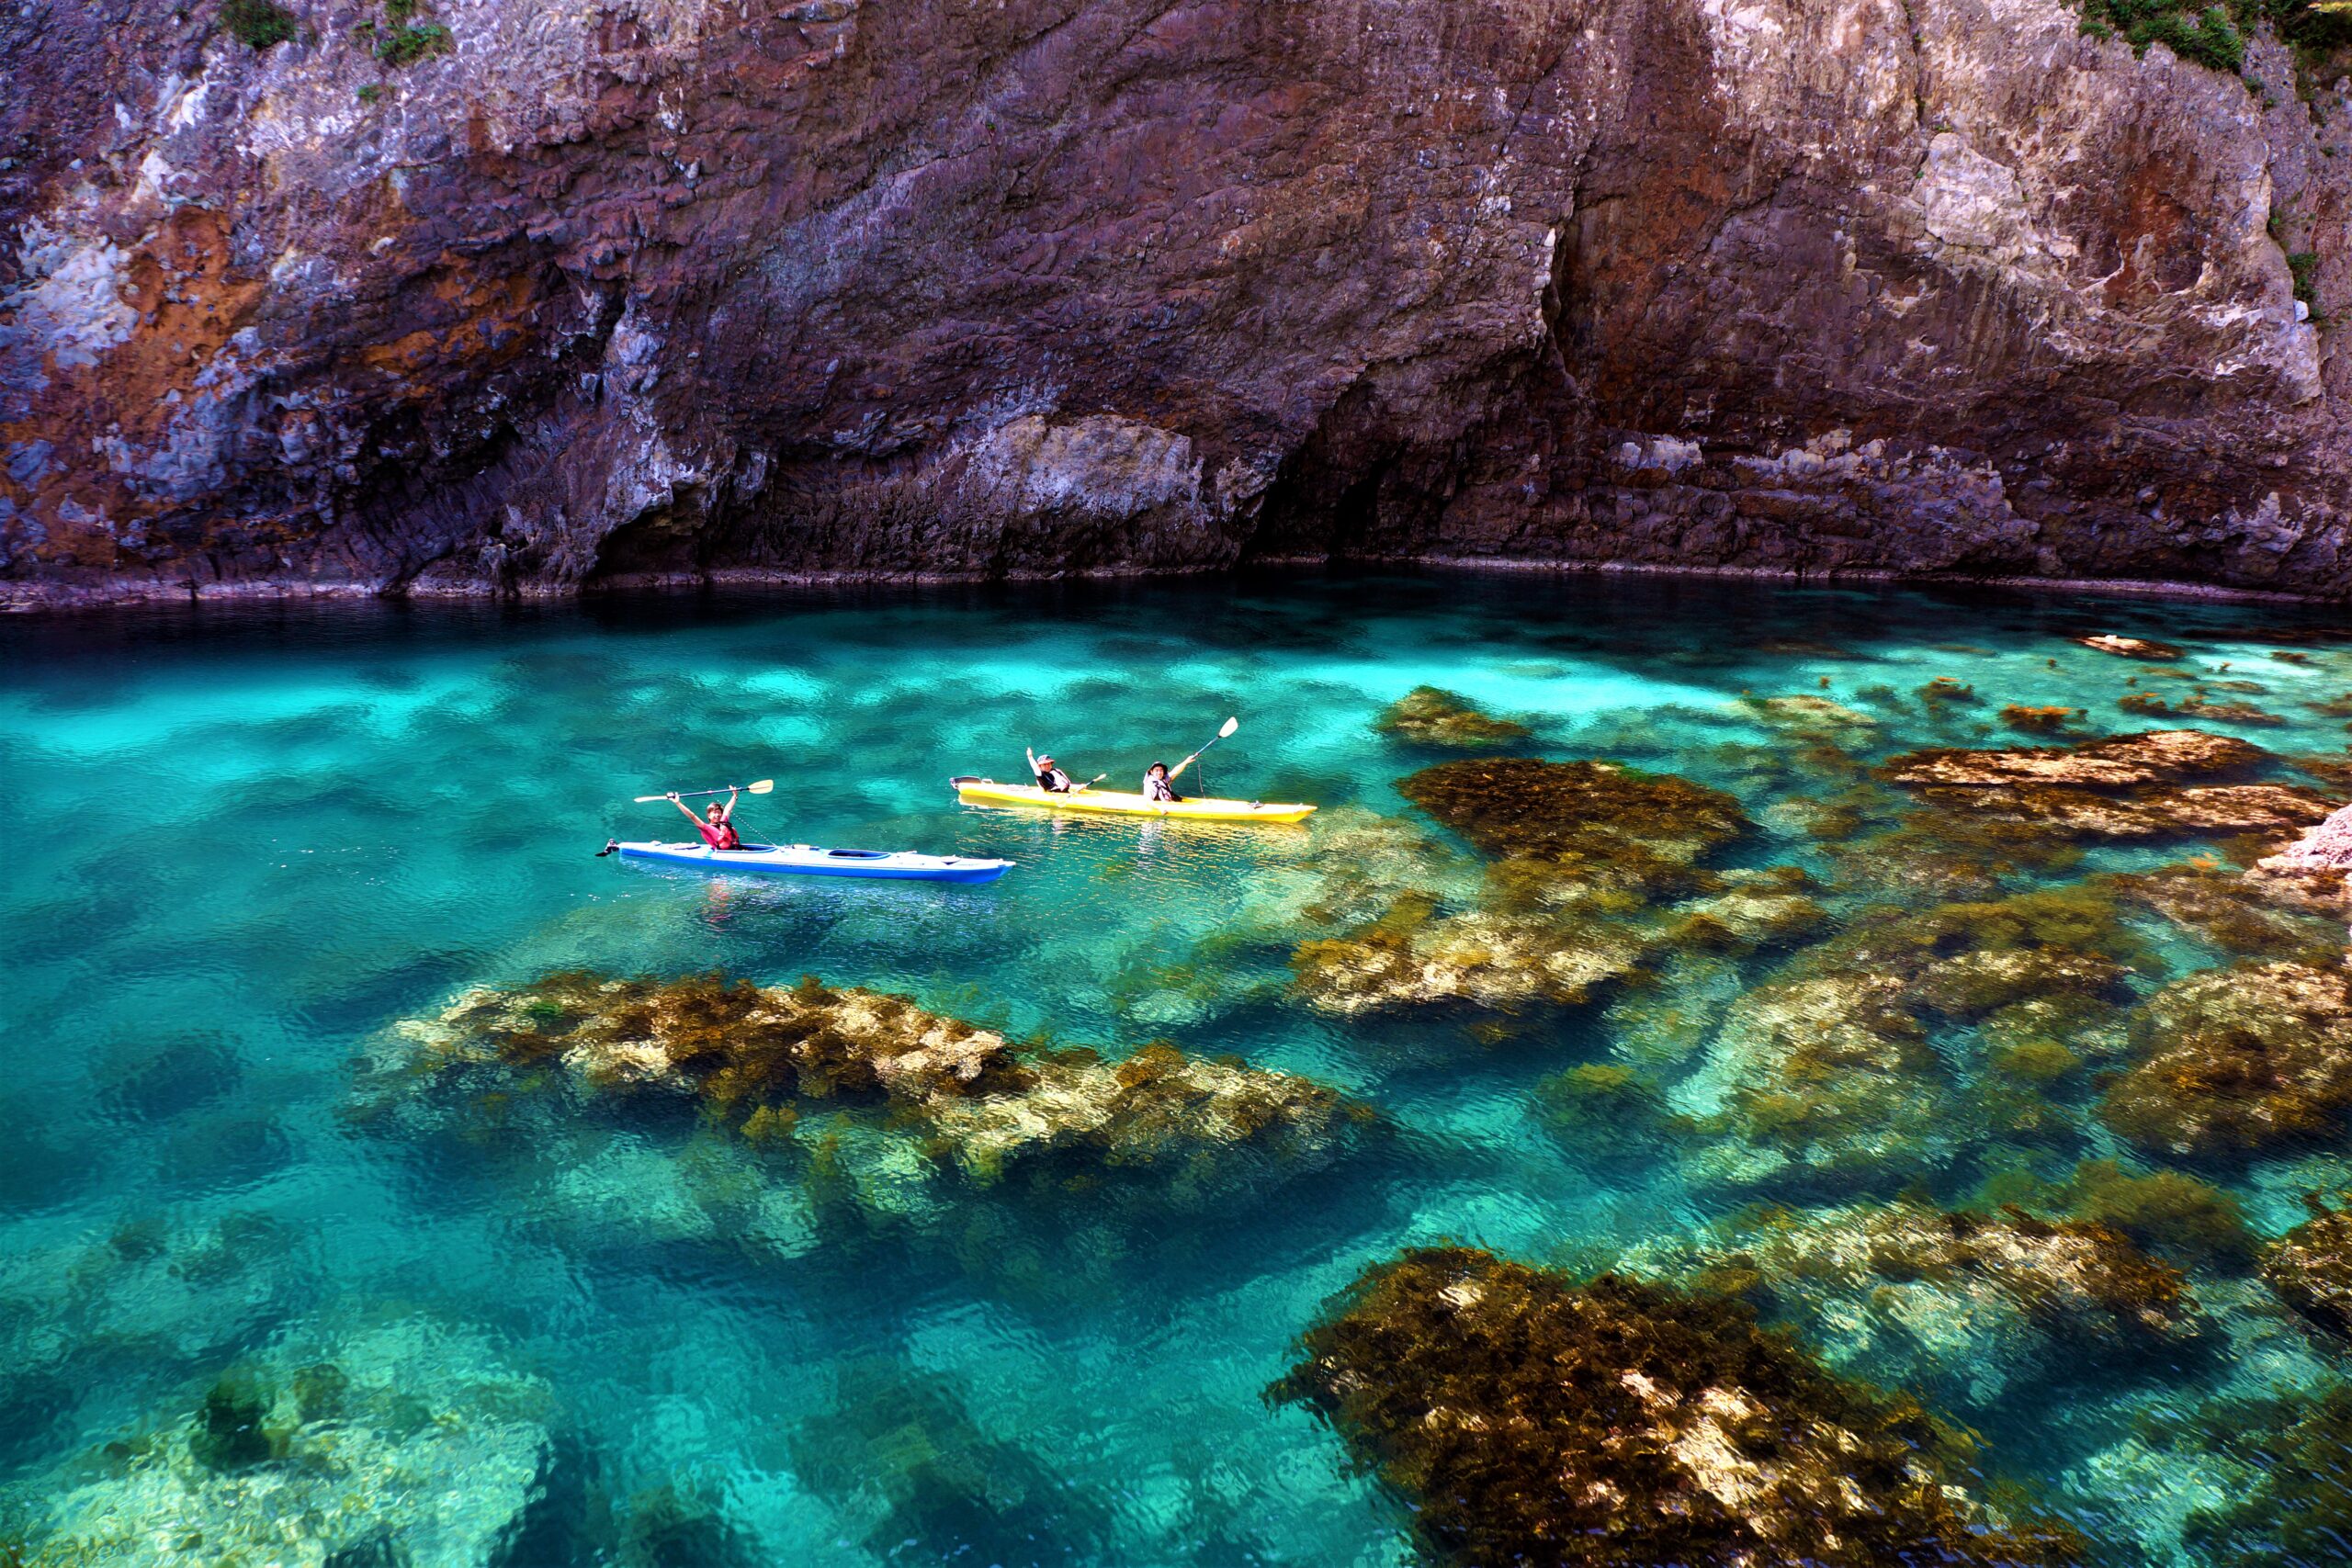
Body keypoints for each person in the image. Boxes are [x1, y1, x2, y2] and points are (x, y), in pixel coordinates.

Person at [669, 788, 742, 850]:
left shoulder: (723, 822)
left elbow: (728, 809)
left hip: (736, 849)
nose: (717, 815)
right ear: (709, 815)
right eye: (714, 813)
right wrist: (678, 803)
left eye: (719, 812)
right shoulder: (706, 828)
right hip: (723, 853)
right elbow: (692, 816)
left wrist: (735, 796)